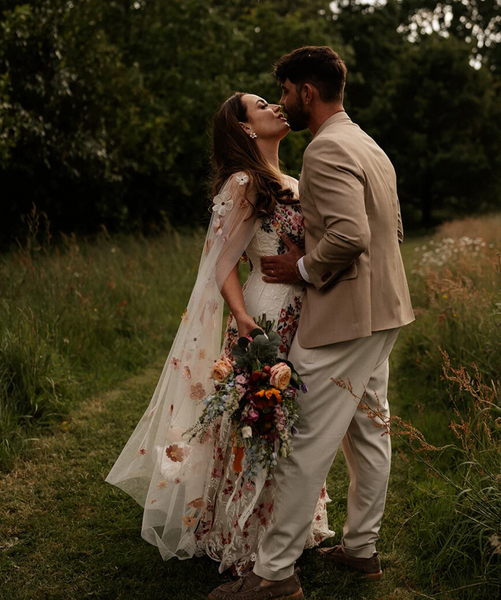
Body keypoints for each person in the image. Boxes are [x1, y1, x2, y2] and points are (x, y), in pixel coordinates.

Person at [209, 46, 414, 600]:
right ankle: (362, 549)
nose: (281, 102)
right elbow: (391, 229)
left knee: (302, 439)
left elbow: (352, 237)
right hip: (387, 310)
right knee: (370, 432)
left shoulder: (324, 151)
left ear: (307, 91)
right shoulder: (368, 144)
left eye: (284, 91)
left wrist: (301, 264)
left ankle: (274, 574)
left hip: (346, 317)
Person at [105, 92, 333, 576]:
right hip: (264, 313)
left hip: (302, 310)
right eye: (262, 104)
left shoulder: (289, 179)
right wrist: (242, 318)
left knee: (296, 411)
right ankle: (241, 530)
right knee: (258, 413)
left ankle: (286, 523)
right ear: (245, 128)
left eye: (275, 100)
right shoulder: (245, 182)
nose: (276, 107)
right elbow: (220, 262)